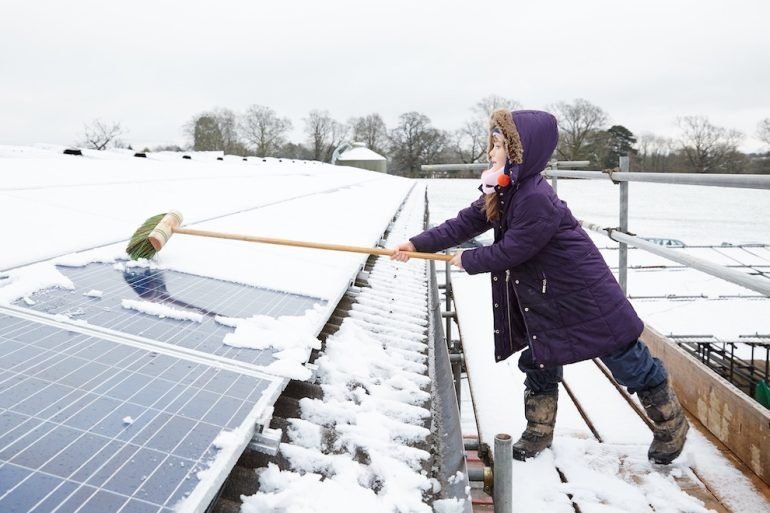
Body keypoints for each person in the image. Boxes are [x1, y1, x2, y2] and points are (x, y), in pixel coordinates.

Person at [391, 109, 689, 464]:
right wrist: (418, 244)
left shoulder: (534, 196)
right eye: (492, 145)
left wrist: (469, 260)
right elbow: (466, 222)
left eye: (499, 145)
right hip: (547, 293)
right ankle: (539, 429)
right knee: (539, 355)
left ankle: (671, 424)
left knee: (624, 357)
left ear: (520, 151)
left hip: (582, 292)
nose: (491, 153)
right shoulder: (504, 188)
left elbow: (516, 248)